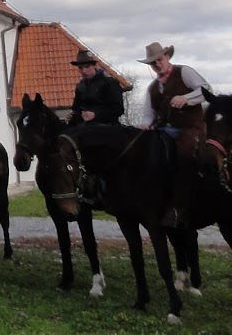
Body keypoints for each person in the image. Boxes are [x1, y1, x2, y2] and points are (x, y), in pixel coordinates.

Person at [140, 41, 211, 226]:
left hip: (191, 128)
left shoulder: (184, 72)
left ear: (167, 57)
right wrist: (146, 125)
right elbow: (149, 114)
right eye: (153, 63)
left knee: (183, 153)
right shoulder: (152, 88)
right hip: (164, 130)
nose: (157, 64)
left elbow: (206, 90)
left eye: (159, 59)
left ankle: (181, 205)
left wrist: (186, 98)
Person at [68, 49, 124, 126]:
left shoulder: (109, 83)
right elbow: (76, 108)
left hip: (107, 126)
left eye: (87, 67)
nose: (84, 71)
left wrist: (96, 115)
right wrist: (74, 116)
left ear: (94, 66)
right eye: (80, 68)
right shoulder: (80, 86)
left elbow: (118, 109)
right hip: (85, 126)